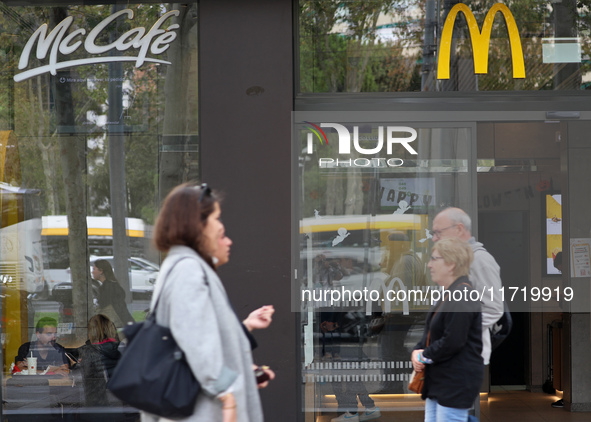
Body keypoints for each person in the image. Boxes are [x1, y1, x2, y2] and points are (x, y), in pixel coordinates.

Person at [142, 182, 264, 422]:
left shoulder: (182, 266)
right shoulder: (188, 269)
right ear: (197, 224)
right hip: (204, 413)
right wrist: (227, 394)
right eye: (217, 218)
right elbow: (198, 344)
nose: (221, 227)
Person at [411, 238, 483, 422]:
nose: (428, 265)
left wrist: (422, 355)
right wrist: (417, 352)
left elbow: (453, 341)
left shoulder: (461, 295)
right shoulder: (450, 293)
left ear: (451, 264)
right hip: (441, 383)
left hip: (454, 384)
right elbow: (431, 334)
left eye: (434, 259)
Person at [431, 207, 503, 365]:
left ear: (459, 229)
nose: (434, 238)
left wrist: (457, 329)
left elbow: (493, 308)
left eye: (438, 232)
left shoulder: (480, 261)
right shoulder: (458, 261)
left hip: (465, 356)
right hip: (454, 353)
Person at [78, 314, 122, 406]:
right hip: (119, 403)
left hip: (97, 404)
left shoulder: (89, 351)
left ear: (91, 332)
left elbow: (83, 377)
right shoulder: (120, 350)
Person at [93, 259, 135, 328]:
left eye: (94, 269)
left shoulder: (108, 287)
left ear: (101, 271)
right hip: (122, 322)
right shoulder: (111, 285)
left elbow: (106, 306)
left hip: (117, 325)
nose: (92, 272)